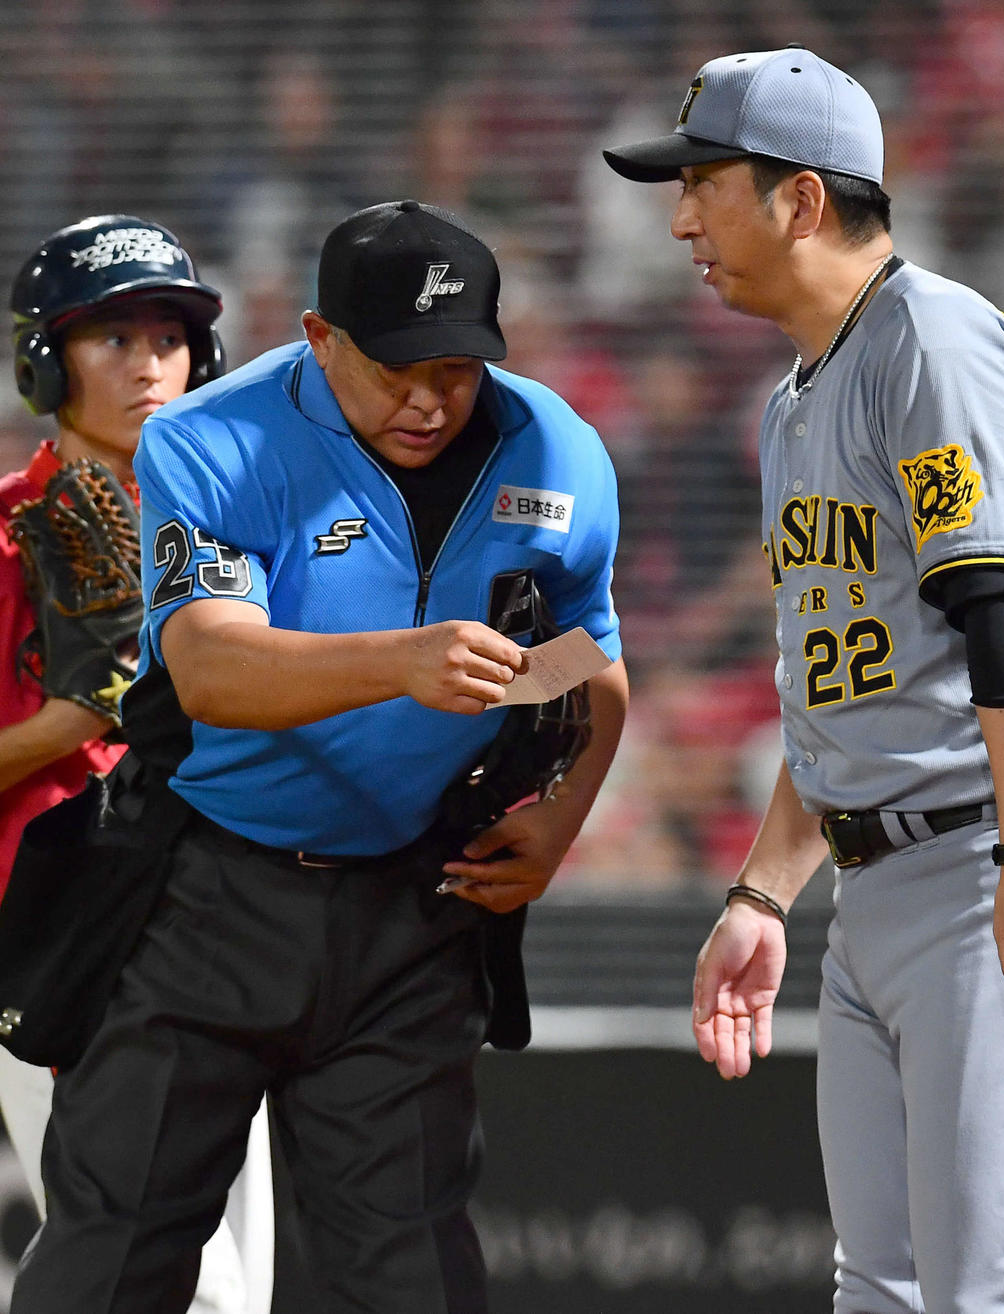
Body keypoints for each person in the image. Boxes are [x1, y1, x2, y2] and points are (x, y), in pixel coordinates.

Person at [8, 198, 627, 1314]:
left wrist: (559, 818)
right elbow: (210, 669)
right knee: (115, 1259)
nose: (430, 399)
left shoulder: (559, 451)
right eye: (395, 366)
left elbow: (589, 656)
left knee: (414, 1277)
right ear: (319, 336)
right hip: (203, 892)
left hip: (411, 905)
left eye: (458, 366)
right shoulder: (212, 438)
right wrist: (403, 662)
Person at [604, 47, 1004, 1314]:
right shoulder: (795, 398)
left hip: (984, 870)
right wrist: (761, 893)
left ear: (799, 198)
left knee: (992, 1288)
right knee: (884, 1292)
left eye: (705, 184)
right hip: (878, 886)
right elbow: (840, 688)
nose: (681, 216)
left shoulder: (931, 344)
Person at [0, 214, 274, 1314]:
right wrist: (79, 717)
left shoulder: (234, 534)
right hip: (62, 940)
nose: (149, 361)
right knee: (154, 1275)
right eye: (109, 337)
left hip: (227, 920)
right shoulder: (8, 538)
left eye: (168, 334)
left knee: (233, 1291)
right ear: (45, 362)